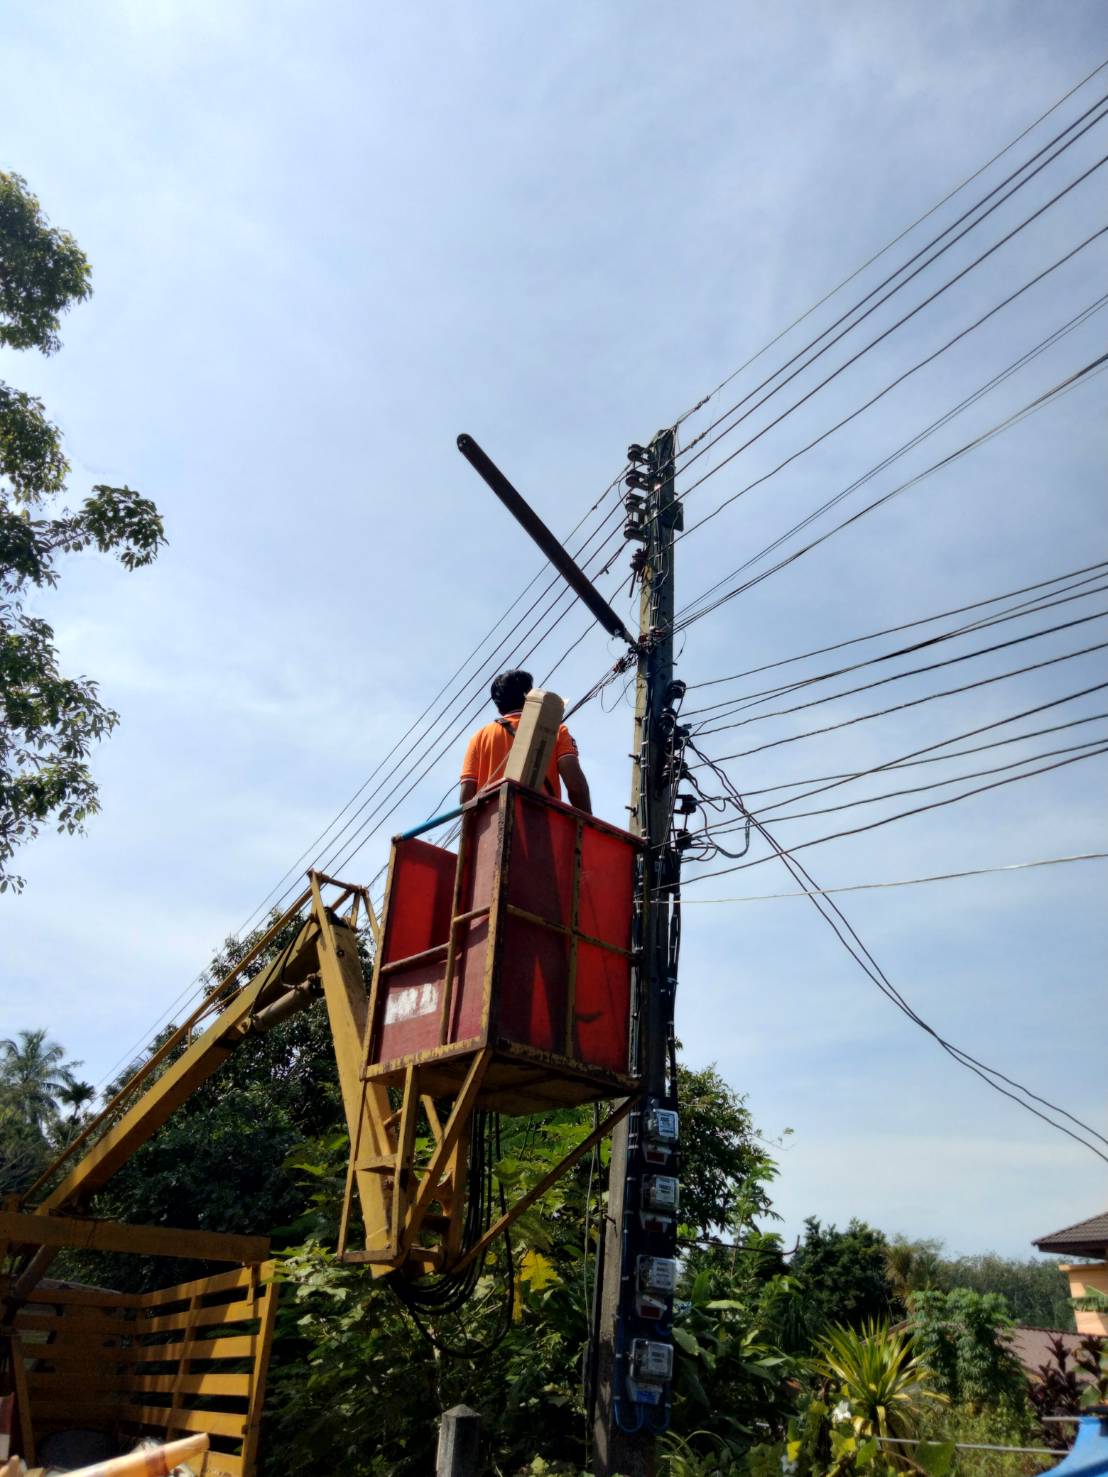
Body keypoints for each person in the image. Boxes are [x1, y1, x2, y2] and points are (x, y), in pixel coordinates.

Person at [459, 669, 592, 813]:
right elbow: (576, 785)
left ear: (498, 706)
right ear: (529, 697)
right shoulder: (556, 730)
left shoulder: (479, 738)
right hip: (540, 825)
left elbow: (466, 796)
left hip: (490, 828)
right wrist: (587, 826)